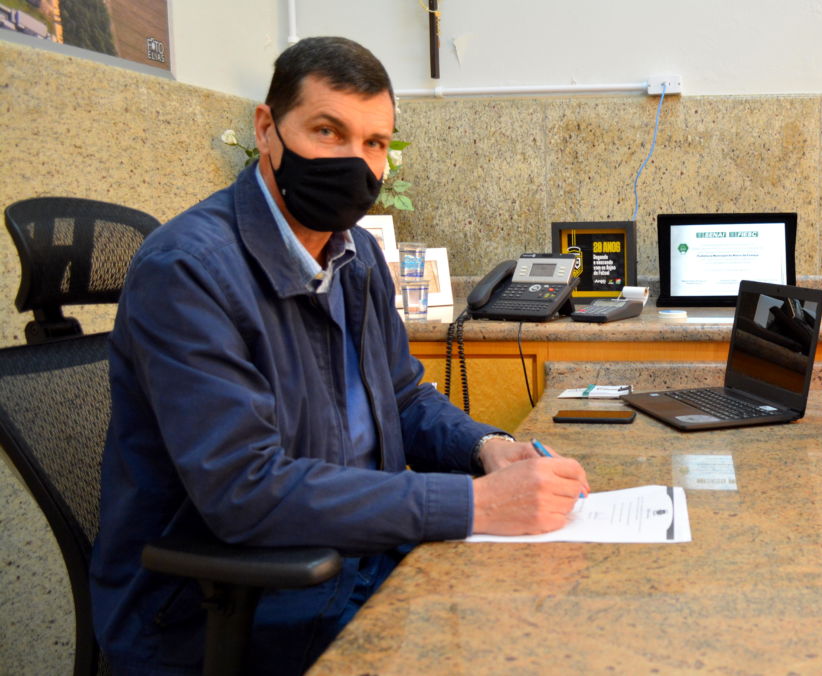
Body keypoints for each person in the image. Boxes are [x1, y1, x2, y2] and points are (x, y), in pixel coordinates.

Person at [89, 36, 589, 675]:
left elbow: (403, 394)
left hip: (355, 562)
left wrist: (484, 448)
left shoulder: (356, 257)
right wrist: (478, 505)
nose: (356, 162)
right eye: (328, 131)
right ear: (267, 128)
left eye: (375, 143)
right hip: (230, 608)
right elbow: (245, 489)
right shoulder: (187, 271)